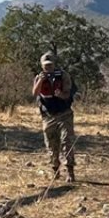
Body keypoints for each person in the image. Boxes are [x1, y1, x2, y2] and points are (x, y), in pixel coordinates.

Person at [32, 52, 75, 182]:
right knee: (51, 144)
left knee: (67, 141)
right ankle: (55, 169)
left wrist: (60, 94)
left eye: (50, 65)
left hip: (64, 114)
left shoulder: (63, 76)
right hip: (48, 115)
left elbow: (68, 94)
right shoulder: (39, 77)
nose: (48, 68)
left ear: (54, 64)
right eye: (46, 66)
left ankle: (70, 171)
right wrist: (41, 80)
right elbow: (35, 93)